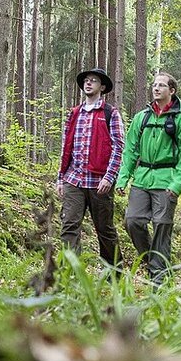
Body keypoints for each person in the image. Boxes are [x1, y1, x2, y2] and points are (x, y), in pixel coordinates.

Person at [116, 71, 181, 283]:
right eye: (154, 85)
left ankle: (158, 280)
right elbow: (131, 150)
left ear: (172, 91)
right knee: (132, 221)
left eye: (161, 85)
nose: (156, 88)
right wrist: (123, 178)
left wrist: (177, 184)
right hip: (142, 179)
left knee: (161, 225)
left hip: (166, 181)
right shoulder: (142, 117)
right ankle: (153, 260)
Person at [57, 67, 125, 270]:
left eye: (93, 80)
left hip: (99, 182)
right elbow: (65, 146)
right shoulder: (74, 113)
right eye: (86, 80)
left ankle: (115, 274)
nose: (88, 83)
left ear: (102, 87)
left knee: (104, 229)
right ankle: (70, 272)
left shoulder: (110, 113)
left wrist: (109, 177)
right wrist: (60, 178)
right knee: (69, 225)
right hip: (74, 180)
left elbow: (118, 146)